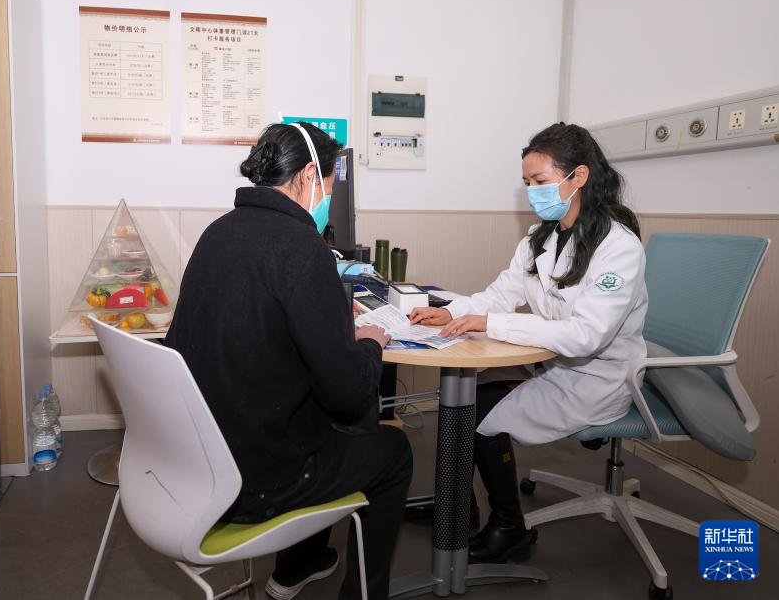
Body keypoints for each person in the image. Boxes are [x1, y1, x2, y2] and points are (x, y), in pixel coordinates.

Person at [166, 122, 412, 600]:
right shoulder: (302, 247)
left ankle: (300, 564)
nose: (328, 200)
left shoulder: (218, 232)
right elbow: (347, 388)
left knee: (332, 419)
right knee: (393, 451)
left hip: (198, 460)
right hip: (256, 483)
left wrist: (328, 317)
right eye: (329, 187)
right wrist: (371, 342)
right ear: (308, 176)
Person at [410, 122, 647, 564]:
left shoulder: (618, 247)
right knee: (462, 402)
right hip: (554, 367)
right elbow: (499, 295)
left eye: (540, 181)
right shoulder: (541, 238)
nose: (533, 192)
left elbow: (586, 336)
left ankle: (509, 529)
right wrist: (453, 312)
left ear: (579, 176)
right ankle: (458, 508)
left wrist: (492, 323)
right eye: (527, 183)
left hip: (596, 380)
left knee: (477, 416)